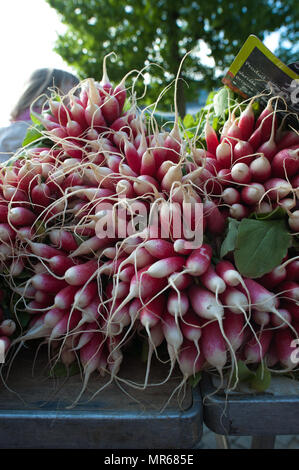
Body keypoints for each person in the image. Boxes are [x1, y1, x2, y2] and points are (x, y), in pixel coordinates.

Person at [0, 68, 79, 163]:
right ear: (53, 89)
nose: (77, 97)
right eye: (75, 92)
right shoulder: (52, 117)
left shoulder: (19, 117)